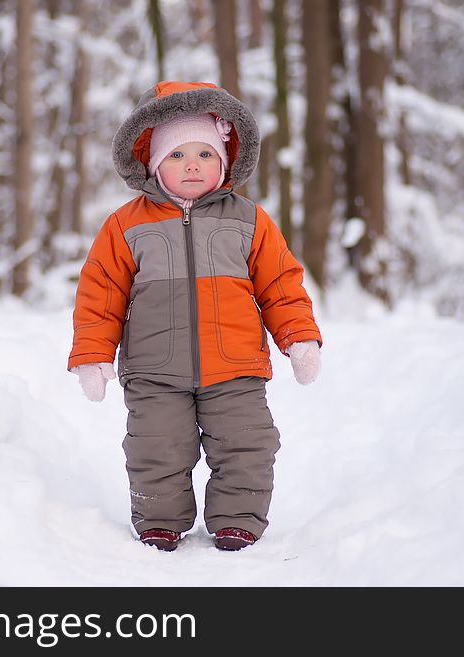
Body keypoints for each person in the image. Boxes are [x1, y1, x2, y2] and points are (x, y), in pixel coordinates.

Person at [67, 81, 322, 552]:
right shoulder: (126, 224)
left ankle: (238, 519)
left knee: (248, 444)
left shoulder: (249, 220)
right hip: (154, 369)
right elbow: (100, 293)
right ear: (153, 163)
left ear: (224, 162)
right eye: (177, 155)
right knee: (155, 447)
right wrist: (92, 354)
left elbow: (281, 284)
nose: (191, 166)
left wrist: (299, 337)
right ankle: (159, 521)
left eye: (205, 155)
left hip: (236, 366)